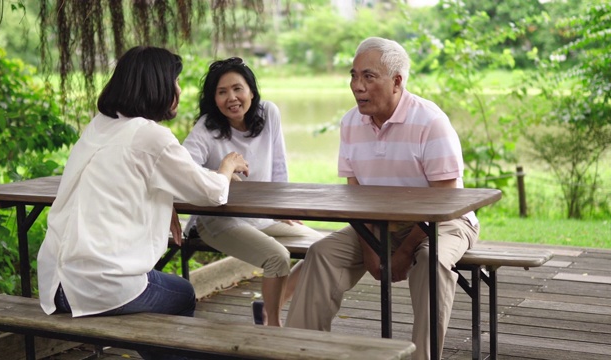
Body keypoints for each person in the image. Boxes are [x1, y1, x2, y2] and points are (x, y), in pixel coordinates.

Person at [37, 46, 249, 360]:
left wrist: (166, 200)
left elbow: (126, 181)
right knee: (183, 293)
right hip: (97, 288)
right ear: (159, 86)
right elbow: (211, 192)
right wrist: (227, 166)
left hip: (55, 284)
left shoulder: (99, 126)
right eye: (175, 81)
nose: (179, 89)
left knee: (164, 295)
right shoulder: (151, 136)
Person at [284, 37, 480, 360]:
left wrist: (403, 250)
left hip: (445, 220)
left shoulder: (430, 122)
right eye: (353, 75)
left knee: (431, 262)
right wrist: (369, 246)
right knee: (321, 254)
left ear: (397, 82)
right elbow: (356, 193)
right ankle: (301, 353)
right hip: (379, 223)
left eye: (368, 77)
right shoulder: (350, 123)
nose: (356, 86)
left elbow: (445, 199)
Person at [183, 57, 323, 327]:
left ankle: (269, 308)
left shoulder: (268, 113)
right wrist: (221, 171)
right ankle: (273, 326)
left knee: (323, 250)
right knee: (277, 257)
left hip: (263, 216)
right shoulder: (206, 128)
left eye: (238, 88)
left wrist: (283, 209)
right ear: (213, 99)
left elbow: (279, 165)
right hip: (218, 221)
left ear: (251, 90)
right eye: (222, 92)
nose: (232, 98)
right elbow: (183, 169)